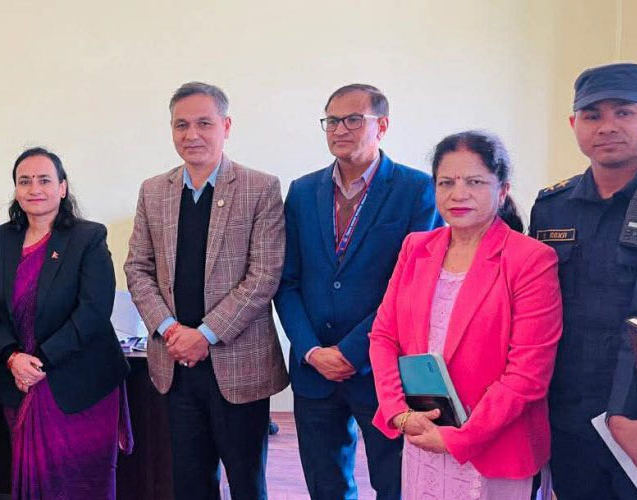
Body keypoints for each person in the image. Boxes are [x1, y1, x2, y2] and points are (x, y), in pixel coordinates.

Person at [369, 131, 562, 499]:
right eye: (447, 182)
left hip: (493, 444)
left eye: (474, 182)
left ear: (502, 190)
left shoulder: (530, 259)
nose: (458, 194)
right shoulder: (416, 247)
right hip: (422, 432)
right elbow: (383, 337)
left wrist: (459, 438)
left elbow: (528, 375)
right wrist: (399, 413)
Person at [273, 83, 441, 499]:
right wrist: (311, 350)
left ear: (381, 126)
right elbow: (287, 281)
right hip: (314, 369)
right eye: (332, 121)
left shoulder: (417, 189)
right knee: (325, 484)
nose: (340, 129)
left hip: (384, 370)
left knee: (394, 483)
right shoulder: (303, 191)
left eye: (353, 120)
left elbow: (411, 288)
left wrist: (352, 351)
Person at [124, 81, 288, 500]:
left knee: (247, 483)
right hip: (175, 364)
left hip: (237, 362)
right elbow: (137, 268)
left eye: (204, 123)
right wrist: (170, 330)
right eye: (181, 125)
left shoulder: (260, 187)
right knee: (189, 483)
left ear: (226, 126)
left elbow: (264, 275)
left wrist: (205, 334)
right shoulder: (153, 191)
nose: (191, 134)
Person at [0, 147, 130, 499]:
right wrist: (12, 357)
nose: (34, 189)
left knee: (81, 483)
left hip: (79, 383)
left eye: (44, 180)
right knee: (36, 479)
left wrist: (39, 362)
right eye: (24, 181)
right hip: (18, 380)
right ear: (16, 190)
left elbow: (93, 311)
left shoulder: (88, 237)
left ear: (62, 187)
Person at [529, 62, 637, 499]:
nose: (607, 126)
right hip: (569, 408)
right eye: (592, 115)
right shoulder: (552, 208)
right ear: (574, 124)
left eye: (624, 112)